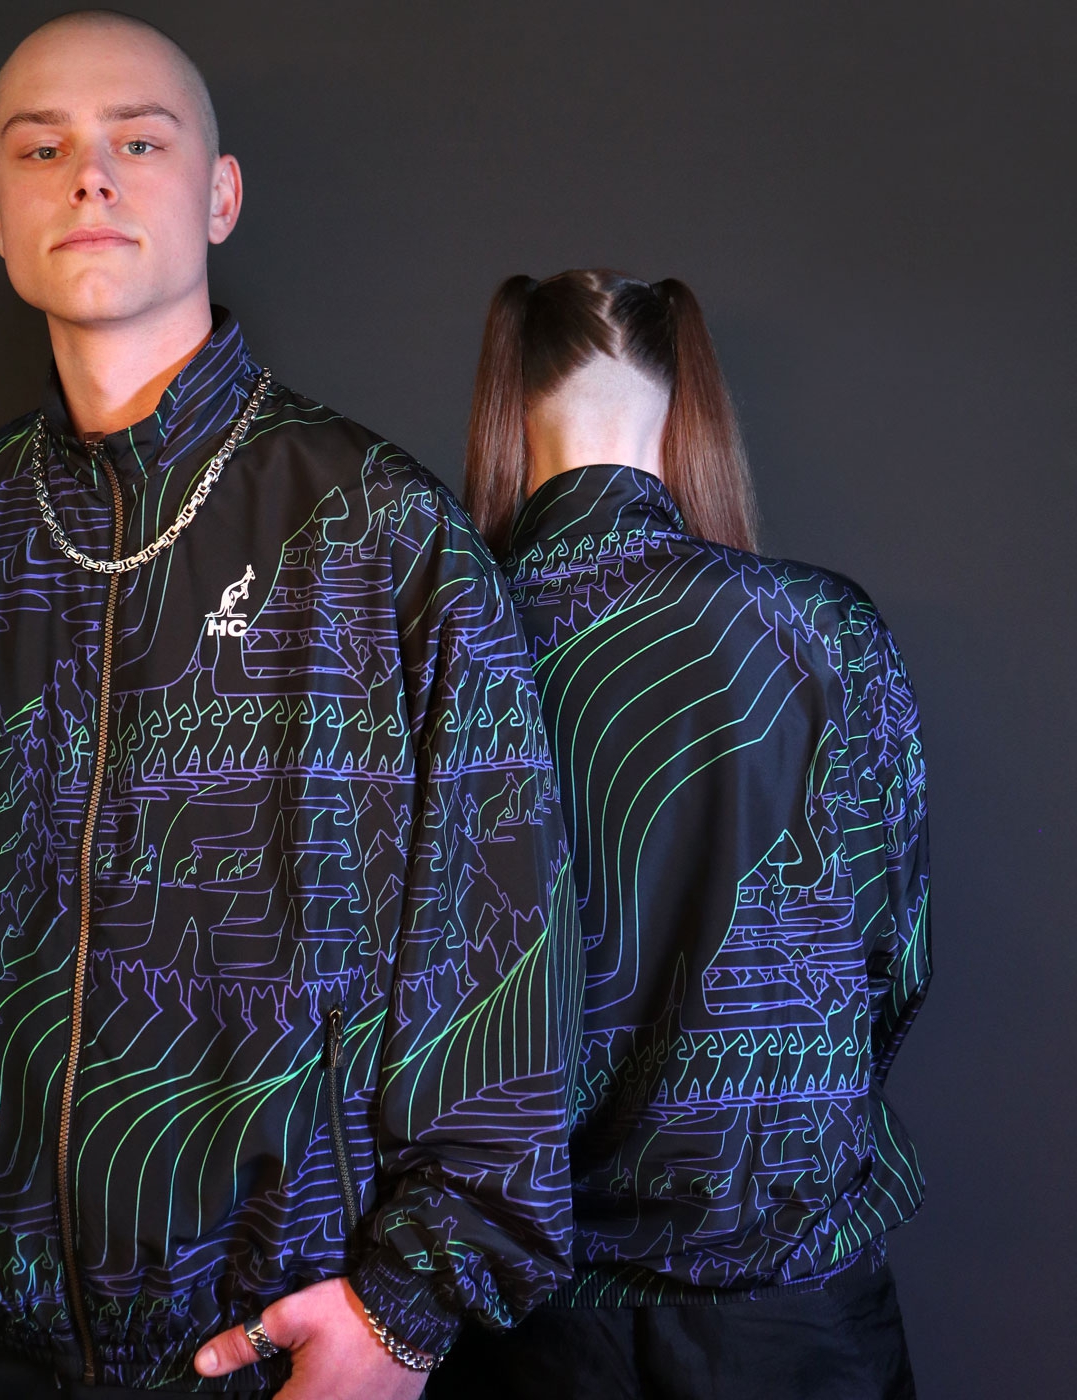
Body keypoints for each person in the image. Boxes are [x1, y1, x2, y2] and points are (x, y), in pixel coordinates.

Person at [0, 15, 583, 1398]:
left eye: (137, 142)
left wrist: (406, 1310)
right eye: (42, 148)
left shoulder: (373, 529)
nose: (89, 175)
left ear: (219, 194)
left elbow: (502, 930)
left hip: (267, 1351)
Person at [428, 270, 930, 1399]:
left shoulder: (441, 650)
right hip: (788, 1306)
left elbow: (393, 1004)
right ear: (688, 402)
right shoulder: (822, 631)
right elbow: (893, 959)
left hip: (525, 1319)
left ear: (507, 402)